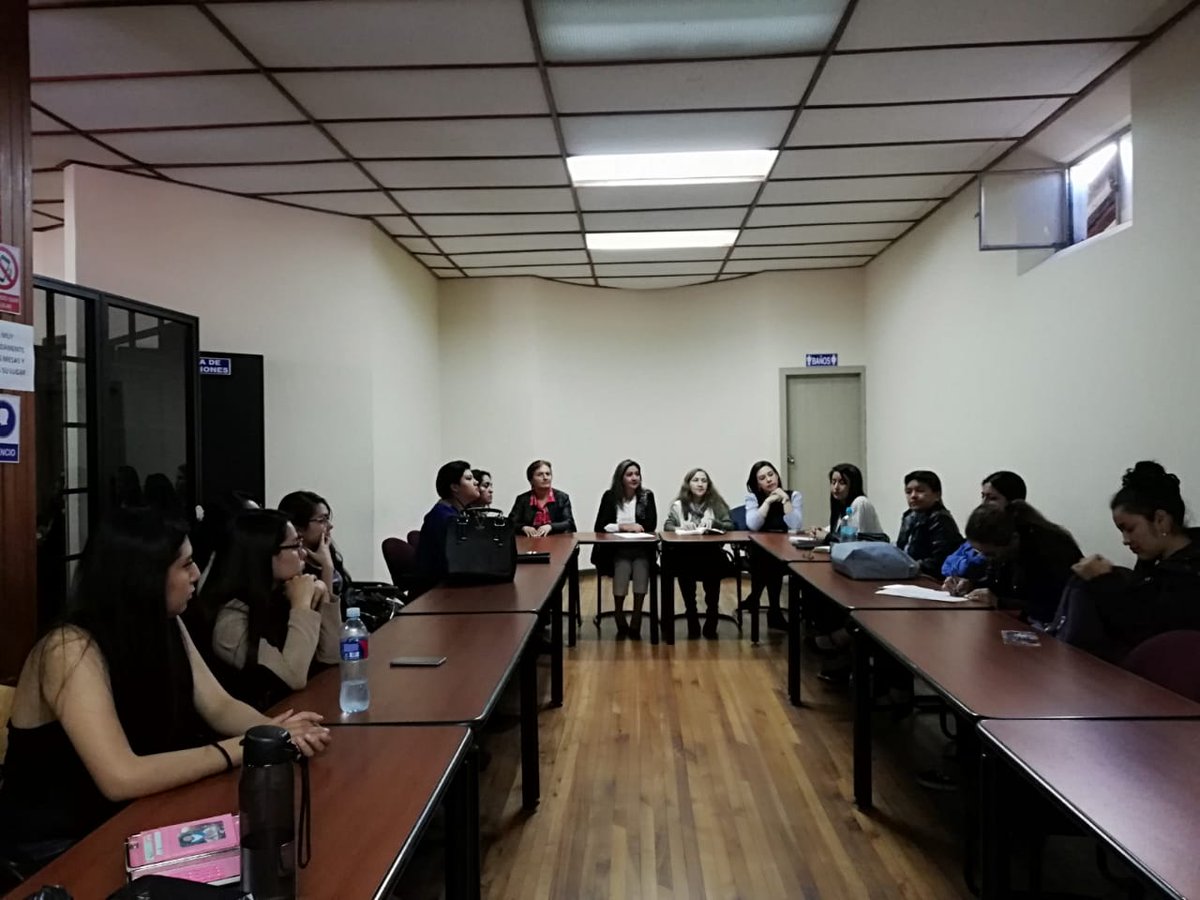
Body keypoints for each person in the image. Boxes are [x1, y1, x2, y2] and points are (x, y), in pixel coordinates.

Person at [0, 509, 329, 862]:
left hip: (131, 816)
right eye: (185, 565)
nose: (196, 574)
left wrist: (274, 734)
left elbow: (218, 705)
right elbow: (121, 777)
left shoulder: (165, 621)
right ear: (145, 575)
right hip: (61, 845)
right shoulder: (69, 648)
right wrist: (246, 747)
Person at [1050, 461, 1200, 662]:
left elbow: (1143, 631)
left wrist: (1103, 581)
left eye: (1129, 529)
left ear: (1161, 520)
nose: (1125, 540)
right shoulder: (1155, 564)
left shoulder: (1190, 575)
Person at [198, 509, 342, 709]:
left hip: (299, 709)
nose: (303, 553)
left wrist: (323, 593)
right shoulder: (230, 621)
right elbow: (293, 677)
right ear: (263, 554)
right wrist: (301, 606)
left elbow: (332, 656)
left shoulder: (283, 594)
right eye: (295, 545)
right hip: (261, 720)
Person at [950, 500, 1082, 625]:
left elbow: (1049, 606)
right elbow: (997, 583)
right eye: (980, 553)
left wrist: (1000, 602)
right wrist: (971, 585)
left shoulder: (1047, 550)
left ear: (1013, 540)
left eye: (990, 554)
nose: (986, 559)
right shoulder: (1005, 547)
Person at [663, 468, 734, 639]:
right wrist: (680, 527)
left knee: (713, 566)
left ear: (708, 485)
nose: (700, 484)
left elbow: (730, 525)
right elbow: (667, 526)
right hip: (686, 553)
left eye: (704, 480)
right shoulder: (679, 505)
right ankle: (691, 615)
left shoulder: (716, 503)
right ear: (688, 484)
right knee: (682, 566)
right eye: (696, 480)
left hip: (710, 553)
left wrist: (715, 523)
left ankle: (712, 615)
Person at [593, 460, 657, 640]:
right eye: (629, 475)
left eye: (637, 474)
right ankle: (619, 614)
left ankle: (637, 616)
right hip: (616, 549)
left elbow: (650, 524)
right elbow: (601, 526)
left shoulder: (646, 496)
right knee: (622, 568)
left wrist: (635, 528)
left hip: (641, 547)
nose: (634, 478)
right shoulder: (610, 497)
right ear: (620, 478)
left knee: (641, 569)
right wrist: (624, 527)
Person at [743, 460, 802, 631]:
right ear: (757, 484)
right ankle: (774, 611)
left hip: (786, 548)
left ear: (777, 476)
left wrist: (785, 500)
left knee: (773, 560)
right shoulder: (753, 498)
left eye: (771, 474)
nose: (769, 480)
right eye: (762, 478)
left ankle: (755, 597)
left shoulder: (794, 495)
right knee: (768, 560)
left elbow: (795, 526)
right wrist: (768, 502)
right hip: (759, 550)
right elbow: (753, 525)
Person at [942, 471, 1027, 587]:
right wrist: (971, 584)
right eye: (983, 496)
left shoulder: (1025, 539)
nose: (983, 503)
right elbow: (947, 565)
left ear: (1013, 502)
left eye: (992, 498)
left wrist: (996, 596)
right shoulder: (983, 528)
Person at [414, 460, 480, 595]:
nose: (476, 482)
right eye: (469, 478)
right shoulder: (444, 518)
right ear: (454, 487)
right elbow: (458, 561)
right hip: (436, 593)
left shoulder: (454, 512)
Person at [278, 490, 349, 601]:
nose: (330, 525)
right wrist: (327, 567)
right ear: (298, 528)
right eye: (322, 520)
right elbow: (324, 609)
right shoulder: (293, 565)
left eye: (328, 519)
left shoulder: (325, 549)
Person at [895, 470, 962, 577]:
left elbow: (940, 560)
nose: (913, 496)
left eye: (920, 491)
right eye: (908, 492)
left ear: (937, 495)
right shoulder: (908, 516)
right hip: (909, 573)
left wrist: (912, 566)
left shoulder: (940, 518)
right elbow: (901, 549)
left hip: (931, 577)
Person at [814, 463, 884, 541]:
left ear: (853, 485)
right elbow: (840, 529)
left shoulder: (860, 502)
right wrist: (820, 530)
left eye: (842, 483)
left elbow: (853, 539)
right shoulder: (843, 505)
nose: (836, 487)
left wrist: (827, 536)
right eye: (833, 482)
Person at [508, 459, 576, 537]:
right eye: (540, 474)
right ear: (531, 480)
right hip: (530, 541)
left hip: (557, 540)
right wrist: (523, 528)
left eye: (548, 474)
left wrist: (551, 526)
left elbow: (569, 523)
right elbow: (510, 523)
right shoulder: (523, 499)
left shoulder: (562, 498)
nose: (545, 477)